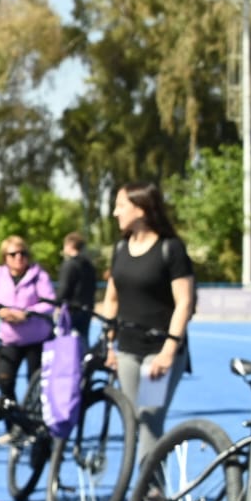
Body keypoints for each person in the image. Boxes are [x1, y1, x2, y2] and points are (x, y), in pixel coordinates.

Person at [97, 182, 195, 456]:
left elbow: (184, 302)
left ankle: (150, 496)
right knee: (135, 421)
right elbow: (112, 299)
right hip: (128, 350)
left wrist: (168, 351)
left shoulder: (171, 249)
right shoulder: (120, 249)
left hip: (159, 352)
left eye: (120, 206)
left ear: (140, 209)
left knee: (150, 419)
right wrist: (109, 344)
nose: (115, 213)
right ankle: (148, 489)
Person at [0, 236, 56, 439]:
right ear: (4, 257)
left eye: (23, 253)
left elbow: (49, 302)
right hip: (9, 338)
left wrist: (27, 313)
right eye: (13, 254)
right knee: (5, 383)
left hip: (35, 338)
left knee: (36, 386)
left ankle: (35, 428)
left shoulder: (38, 275)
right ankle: (14, 427)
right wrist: (2, 312)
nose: (19, 258)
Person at [54, 231, 99, 343]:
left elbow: (64, 288)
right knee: (83, 343)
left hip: (71, 311)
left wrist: (57, 305)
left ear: (69, 245)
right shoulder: (89, 266)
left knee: (67, 345)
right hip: (87, 309)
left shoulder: (69, 265)